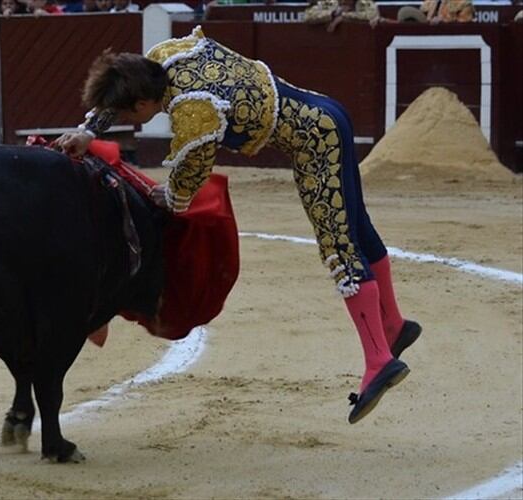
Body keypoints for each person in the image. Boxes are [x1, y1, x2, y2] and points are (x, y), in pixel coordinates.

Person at [53, 27, 422, 424]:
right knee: (358, 229)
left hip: (317, 143)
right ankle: (393, 325)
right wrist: (90, 129)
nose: (130, 121)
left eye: (129, 115)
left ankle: (378, 361)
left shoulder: (195, 111)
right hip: (329, 114)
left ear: (144, 102)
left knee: (338, 247)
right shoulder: (167, 54)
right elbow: (129, 101)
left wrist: (171, 198)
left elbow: (189, 176)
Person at [305, 0, 381, 31]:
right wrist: (333, 14)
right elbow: (308, 16)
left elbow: (372, 14)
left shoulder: (363, 2)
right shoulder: (329, 2)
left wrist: (343, 16)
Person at [396, 0, 474, 23]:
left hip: (447, 40)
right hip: (426, 39)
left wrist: (442, 21)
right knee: (404, 12)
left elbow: (465, 25)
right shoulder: (431, 1)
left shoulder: (464, 3)